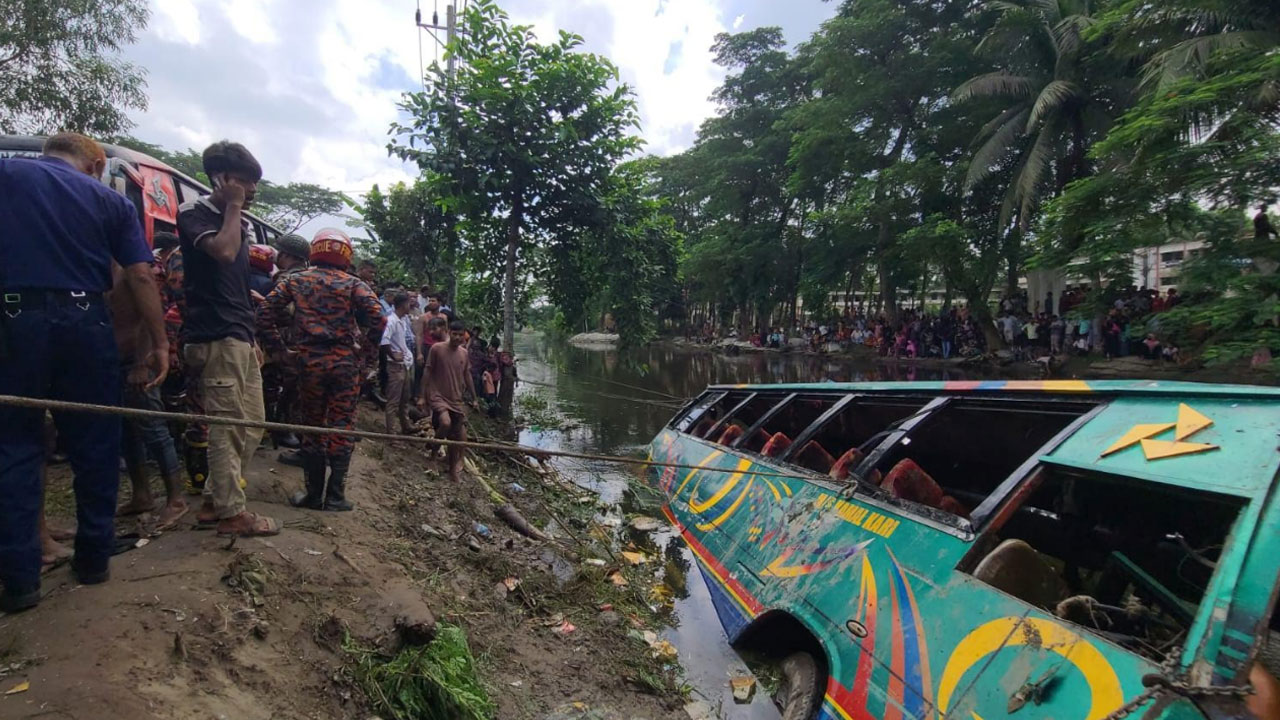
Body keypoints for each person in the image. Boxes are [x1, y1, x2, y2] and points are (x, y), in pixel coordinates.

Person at [0, 133, 168, 612]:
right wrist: (158, 343)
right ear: (96, 164)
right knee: (95, 442)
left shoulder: (7, 173)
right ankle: (94, 561)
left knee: (13, 445)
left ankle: (19, 580)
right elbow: (139, 275)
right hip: (85, 321)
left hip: (13, 319)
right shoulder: (110, 201)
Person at [177, 140, 278, 538]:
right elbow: (222, 252)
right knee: (226, 424)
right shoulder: (194, 213)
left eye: (254, 184)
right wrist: (233, 206)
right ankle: (231, 513)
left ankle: (213, 498)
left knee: (252, 422)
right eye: (245, 183)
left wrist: (250, 332)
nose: (252, 191)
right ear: (222, 179)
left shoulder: (244, 224)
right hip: (215, 334)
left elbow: (234, 280)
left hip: (237, 333)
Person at [259, 228, 383, 511]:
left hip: (309, 362)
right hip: (345, 365)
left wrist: (280, 351)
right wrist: (366, 356)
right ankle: (336, 497)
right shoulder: (354, 285)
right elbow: (378, 319)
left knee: (312, 426)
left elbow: (265, 312)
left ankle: (313, 496)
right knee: (342, 426)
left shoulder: (296, 281)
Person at [110, 261, 188, 530]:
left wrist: (142, 364)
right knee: (127, 431)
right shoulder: (97, 266)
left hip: (136, 361)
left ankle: (176, 498)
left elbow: (147, 317)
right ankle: (142, 494)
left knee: (154, 429)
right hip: (112, 360)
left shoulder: (133, 272)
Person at [421, 320, 478, 482]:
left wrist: (474, 398)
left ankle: (452, 469)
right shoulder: (437, 349)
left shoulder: (463, 353)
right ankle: (433, 454)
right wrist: (421, 396)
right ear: (448, 332)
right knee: (445, 423)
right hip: (438, 395)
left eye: (461, 335)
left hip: (456, 398)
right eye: (455, 334)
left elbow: (467, 376)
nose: (458, 337)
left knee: (457, 435)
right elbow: (427, 371)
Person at [381, 292, 416, 435]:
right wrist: (393, 355)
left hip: (404, 365)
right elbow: (384, 341)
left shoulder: (402, 320)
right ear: (403, 305)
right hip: (395, 366)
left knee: (404, 399)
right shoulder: (392, 321)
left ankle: (406, 425)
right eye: (409, 303)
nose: (411, 305)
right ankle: (392, 433)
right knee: (393, 401)